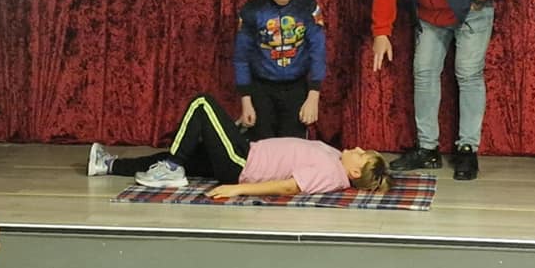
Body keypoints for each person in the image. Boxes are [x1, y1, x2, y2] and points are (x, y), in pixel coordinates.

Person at [372, 0, 510, 181]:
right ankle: (427, 149)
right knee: (423, 73)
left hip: (470, 11)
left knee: (468, 73)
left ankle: (467, 149)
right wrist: (381, 31)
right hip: (429, 15)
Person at [87, 92, 392, 197]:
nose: (359, 149)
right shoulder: (336, 158)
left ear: (354, 173)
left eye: (362, 155)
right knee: (183, 154)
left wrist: (238, 190)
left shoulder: (331, 174)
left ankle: (171, 168)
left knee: (202, 103)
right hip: (247, 150)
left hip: (241, 163)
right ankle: (108, 165)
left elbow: (289, 187)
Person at [234, 0, 327, 140]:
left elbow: (318, 51)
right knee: (263, 143)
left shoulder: (307, 6)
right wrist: (246, 100)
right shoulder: (252, 11)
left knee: (292, 144)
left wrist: (313, 95)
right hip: (262, 88)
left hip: (296, 87)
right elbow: (241, 58)